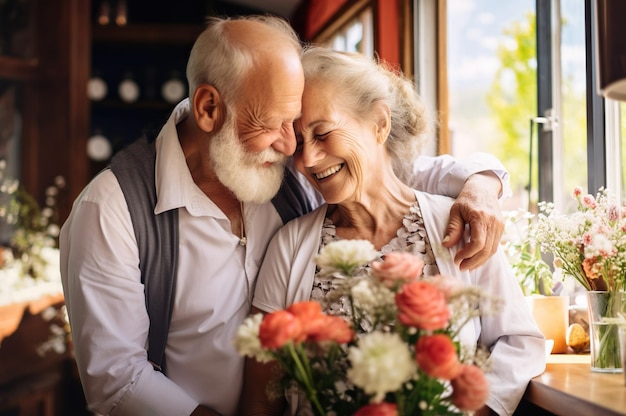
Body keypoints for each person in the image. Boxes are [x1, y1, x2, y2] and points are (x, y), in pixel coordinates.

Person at [61, 16, 511, 416]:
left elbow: (383, 171)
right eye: (277, 124)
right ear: (208, 108)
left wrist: (482, 182)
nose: (294, 148)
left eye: (296, 124)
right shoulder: (110, 210)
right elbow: (116, 379)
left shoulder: (274, 163)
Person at [240, 46, 546, 416]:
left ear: (379, 124)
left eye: (322, 133)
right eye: (299, 143)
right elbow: (261, 398)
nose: (307, 160)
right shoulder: (289, 246)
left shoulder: (458, 225)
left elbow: (520, 342)